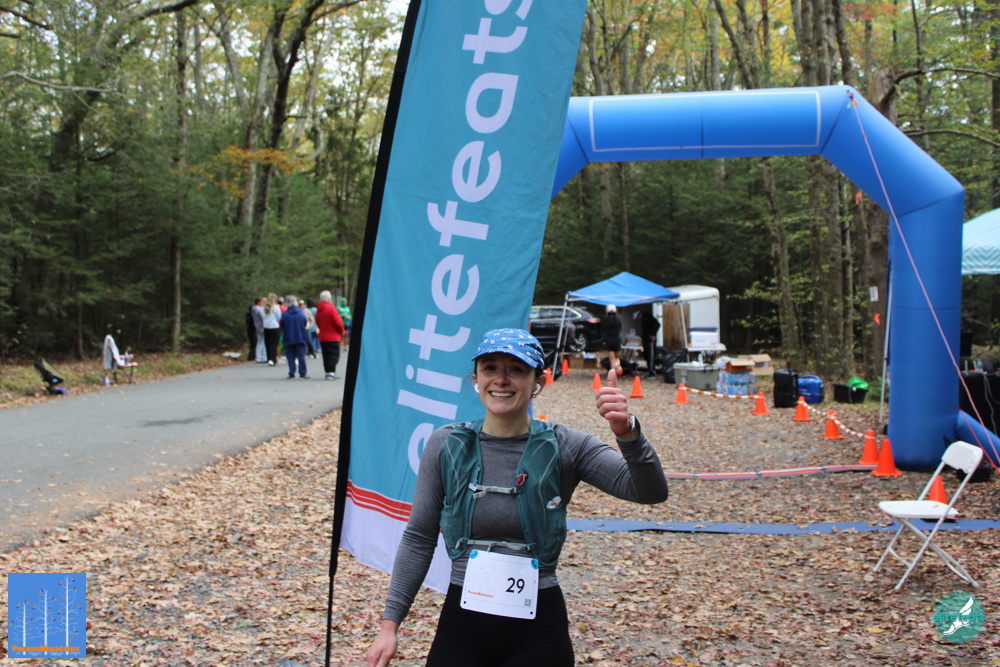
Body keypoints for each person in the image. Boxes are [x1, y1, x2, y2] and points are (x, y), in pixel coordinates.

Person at [365, 328, 668, 667]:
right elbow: (419, 537)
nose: (501, 379)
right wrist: (390, 625)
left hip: (539, 632)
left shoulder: (566, 445)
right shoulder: (446, 445)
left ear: (539, 381)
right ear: (476, 379)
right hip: (461, 629)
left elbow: (650, 491)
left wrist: (627, 432)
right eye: (490, 368)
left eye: (516, 369)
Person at [315, 290, 345, 380]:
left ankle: (327, 371)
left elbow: (317, 321)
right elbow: (338, 322)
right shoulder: (331, 308)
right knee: (334, 355)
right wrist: (341, 331)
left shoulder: (318, 310)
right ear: (329, 299)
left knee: (326, 355)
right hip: (333, 336)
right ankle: (331, 371)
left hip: (323, 336)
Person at [279, 296, 309, 379]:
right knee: (301, 356)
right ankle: (302, 372)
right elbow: (305, 322)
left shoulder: (285, 314)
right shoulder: (301, 313)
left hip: (289, 337)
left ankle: (291, 372)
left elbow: (281, 324)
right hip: (300, 337)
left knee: (290, 356)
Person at [602, 304, 624, 375]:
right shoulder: (618, 320)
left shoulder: (605, 320)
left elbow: (603, 330)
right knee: (617, 358)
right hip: (617, 340)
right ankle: (618, 366)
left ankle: (612, 372)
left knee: (612, 359)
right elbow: (620, 329)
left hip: (609, 341)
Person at [262, 293, 282, 366]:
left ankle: (269, 358)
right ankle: (273, 359)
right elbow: (279, 317)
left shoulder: (264, 307)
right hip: (274, 326)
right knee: (274, 344)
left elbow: (263, 316)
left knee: (267, 343)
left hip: (266, 326)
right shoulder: (276, 307)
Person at [641, 310, 661, 379]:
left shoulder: (649, 318)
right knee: (646, 355)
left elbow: (658, 324)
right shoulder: (644, 319)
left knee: (651, 356)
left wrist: (653, 334)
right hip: (646, 339)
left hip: (650, 340)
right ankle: (650, 370)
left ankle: (652, 372)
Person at [252, 297, 267, 363]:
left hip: (257, 326)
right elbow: (263, 316)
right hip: (261, 326)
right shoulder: (259, 309)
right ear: (258, 302)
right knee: (263, 342)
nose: (263, 303)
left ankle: (258, 357)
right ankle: (263, 357)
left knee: (259, 342)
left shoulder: (254, 309)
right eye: (262, 302)